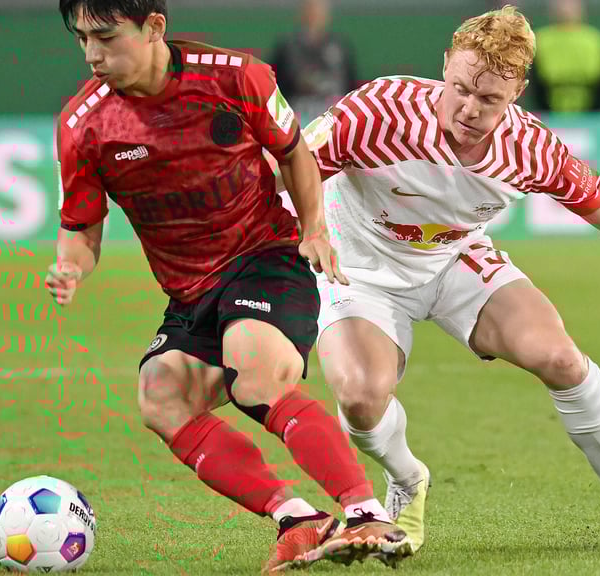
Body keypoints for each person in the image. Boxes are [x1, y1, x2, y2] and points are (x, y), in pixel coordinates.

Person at [291, 4, 600, 554]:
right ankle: (408, 477)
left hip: (454, 260)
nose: (469, 108)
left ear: (517, 91)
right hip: (361, 267)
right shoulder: (379, 111)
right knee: (361, 399)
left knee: (561, 358)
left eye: (489, 98)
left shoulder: (531, 148)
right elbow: (292, 159)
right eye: (461, 87)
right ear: (446, 64)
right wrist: (312, 226)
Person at [46, 1, 410, 572]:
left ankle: (365, 512)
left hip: (265, 257)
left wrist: (315, 228)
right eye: (82, 39)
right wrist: (71, 266)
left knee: (255, 368)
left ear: (154, 27)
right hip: (191, 293)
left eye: (107, 37)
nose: (93, 54)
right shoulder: (83, 125)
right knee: (160, 396)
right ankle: (297, 517)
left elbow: (295, 155)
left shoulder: (235, 77)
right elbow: (81, 232)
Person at [269, 0, 358, 126]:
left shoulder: (340, 48)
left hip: (334, 120)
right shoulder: (287, 49)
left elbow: (352, 88)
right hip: (298, 120)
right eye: (311, 9)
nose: (315, 14)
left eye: (319, 10)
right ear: (302, 13)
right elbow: (273, 88)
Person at [530, 0, 600, 113]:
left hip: (590, 114)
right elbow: (535, 82)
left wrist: (595, 116)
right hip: (550, 113)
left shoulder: (594, 40)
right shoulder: (540, 39)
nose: (565, 8)